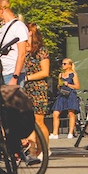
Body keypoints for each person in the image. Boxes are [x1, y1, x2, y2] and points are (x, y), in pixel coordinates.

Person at [22, 24, 52, 162]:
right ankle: (33, 150)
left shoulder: (41, 51)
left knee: (39, 121)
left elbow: (45, 72)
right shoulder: (24, 50)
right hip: (25, 89)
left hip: (38, 88)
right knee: (28, 122)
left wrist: (28, 78)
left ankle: (45, 149)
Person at [0, 0, 29, 87]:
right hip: (2, 72)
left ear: (2, 10)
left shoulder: (19, 26)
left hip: (13, 72)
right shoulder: (2, 28)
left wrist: (15, 77)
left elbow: (22, 53)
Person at [51, 58, 80, 139]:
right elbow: (58, 85)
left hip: (70, 94)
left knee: (71, 113)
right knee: (55, 113)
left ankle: (70, 133)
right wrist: (59, 85)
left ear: (70, 65)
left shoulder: (73, 74)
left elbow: (77, 86)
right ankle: (55, 133)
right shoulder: (60, 74)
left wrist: (68, 84)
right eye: (62, 63)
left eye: (65, 64)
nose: (63, 65)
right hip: (62, 94)